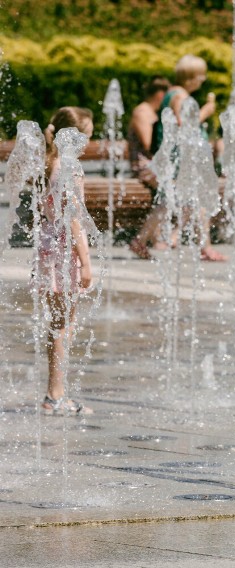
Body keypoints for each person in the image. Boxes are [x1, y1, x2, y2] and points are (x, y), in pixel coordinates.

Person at [135, 54, 226, 262]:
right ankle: (140, 240)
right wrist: (205, 111)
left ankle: (204, 246)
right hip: (182, 158)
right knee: (174, 201)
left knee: (188, 201)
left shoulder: (173, 94)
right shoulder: (179, 96)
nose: (203, 80)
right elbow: (182, 126)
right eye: (201, 75)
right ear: (191, 76)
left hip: (183, 156)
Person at [37, 107, 95, 415]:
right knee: (64, 324)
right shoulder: (69, 169)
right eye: (87, 133)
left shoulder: (51, 164)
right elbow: (74, 220)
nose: (90, 140)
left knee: (57, 322)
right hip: (64, 251)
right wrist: (85, 262)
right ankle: (56, 395)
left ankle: (56, 393)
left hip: (49, 248)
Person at [128, 76, 172, 259]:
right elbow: (149, 144)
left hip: (154, 165)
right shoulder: (142, 112)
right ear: (161, 95)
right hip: (143, 166)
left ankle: (156, 237)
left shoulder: (153, 112)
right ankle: (140, 240)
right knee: (171, 194)